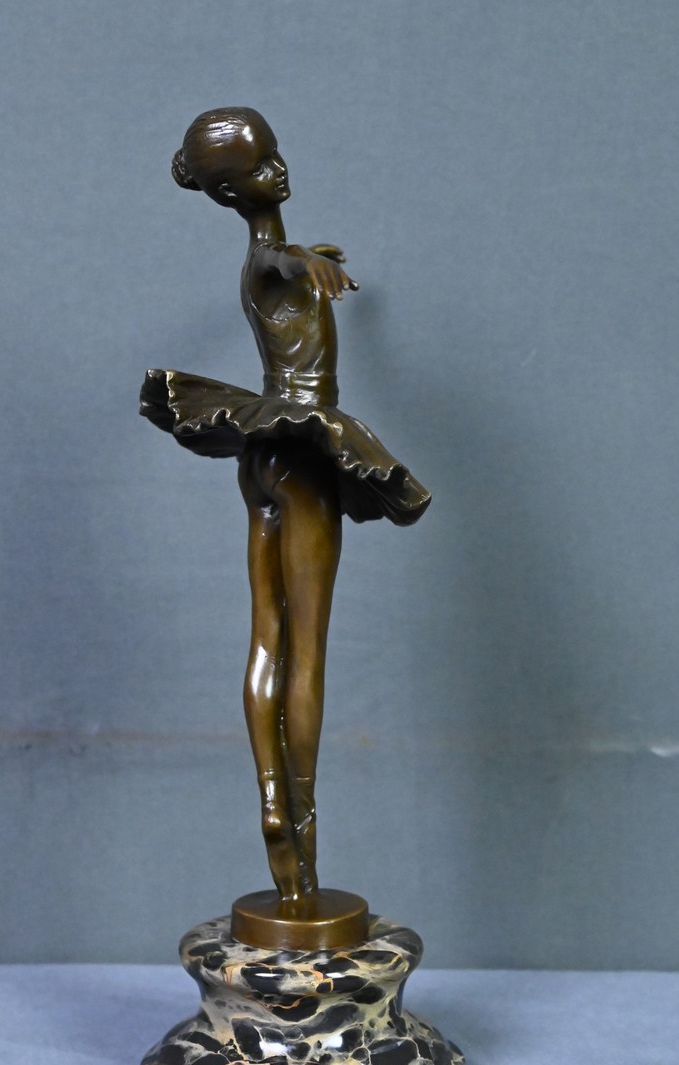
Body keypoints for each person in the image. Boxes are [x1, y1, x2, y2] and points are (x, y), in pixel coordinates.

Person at [141, 107, 430, 903]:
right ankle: (297, 815)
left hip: (261, 457)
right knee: (307, 648)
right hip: (302, 455)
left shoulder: (264, 261)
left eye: (274, 153)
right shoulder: (270, 258)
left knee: (266, 634)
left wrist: (311, 258)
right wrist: (303, 260)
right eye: (260, 167)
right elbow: (279, 261)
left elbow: (281, 265)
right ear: (231, 194)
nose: (279, 170)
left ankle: (271, 796)